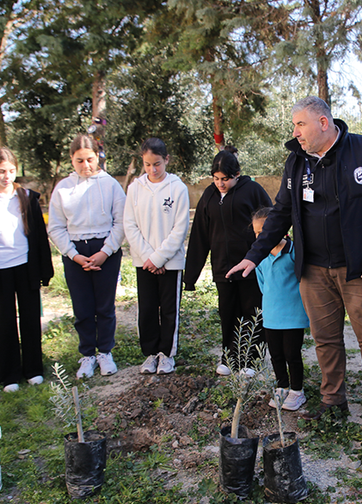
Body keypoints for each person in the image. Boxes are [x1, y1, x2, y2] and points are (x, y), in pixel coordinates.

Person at [227, 96, 362, 433]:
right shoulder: (296, 162)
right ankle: (333, 400)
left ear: (323, 123)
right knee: (325, 339)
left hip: (359, 269)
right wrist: (254, 255)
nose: (295, 132)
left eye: (300, 124)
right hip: (314, 270)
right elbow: (281, 212)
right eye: (294, 125)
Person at [0, 148, 53, 393]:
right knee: (5, 321)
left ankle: (33, 369)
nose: (6, 176)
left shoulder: (27, 197)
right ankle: (8, 375)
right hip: (0, 270)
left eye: (11, 171)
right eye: (1, 171)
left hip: (26, 267)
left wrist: (44, 270)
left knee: (30, 318)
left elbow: (40, 237)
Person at [184, 150, 271, 376]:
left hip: (250, 267)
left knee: (252, 312)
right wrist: (190, 276)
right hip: (223, 269)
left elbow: (271, 224)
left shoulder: (253, 191)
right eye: (216, 178)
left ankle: (252, 360)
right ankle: (230, 357)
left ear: (237, 174)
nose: (220, 184)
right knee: (228, 313)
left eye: (225, 179)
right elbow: (200, 235)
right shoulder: (209, 196)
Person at [48, 133, 126, 379]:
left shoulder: (111, 185)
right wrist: (73, 255)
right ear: (72, 159)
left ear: (98, 157)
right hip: (76, 253)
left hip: (105, 250)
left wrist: (105, 251)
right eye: (79, 160)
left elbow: (121, 221)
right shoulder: (63, 188)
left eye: (90, 159)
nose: (86, 165)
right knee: (82, 307)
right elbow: (56, 227)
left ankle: (105, 352)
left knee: (104, 306)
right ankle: (87, 355)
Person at [123, 138, 190, 375]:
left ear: (167, 160)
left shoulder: (178, 188)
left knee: (169, 309)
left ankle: (167, 354)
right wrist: (149, 258)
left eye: (157, 164)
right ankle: (151, 353)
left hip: (170, 262)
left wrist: (160, 258)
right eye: (148, 164)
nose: (153, 169)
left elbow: (180, 228)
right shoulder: (134, 189)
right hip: (144, 262)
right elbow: (130, 225)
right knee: (147, 308)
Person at [251, 207, 310, 411]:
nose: (261, 236)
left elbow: (303, 280)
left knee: (292, 354)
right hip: (271, 315)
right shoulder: (259, 257)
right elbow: (262, 284)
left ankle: (297, 391)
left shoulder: (294, 252)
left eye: (265, 231)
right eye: (257, 233)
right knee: (275, 354)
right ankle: (282, 386)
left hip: (293, 315)